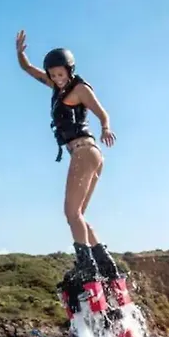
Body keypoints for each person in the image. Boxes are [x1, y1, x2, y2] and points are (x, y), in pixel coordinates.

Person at [15, 30, 121, 283]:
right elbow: (28, 69)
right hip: (88, 154)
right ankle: (108, 268)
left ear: (70, 70)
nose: (57, 79)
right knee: (78, 216)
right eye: (52, 75)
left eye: (60, 74)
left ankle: (87, 267)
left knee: (71, 214)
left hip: (84, 152)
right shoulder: (56, 87)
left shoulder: (80, 88)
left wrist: (106, 128)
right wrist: (20, 54)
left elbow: (102, 112)